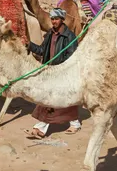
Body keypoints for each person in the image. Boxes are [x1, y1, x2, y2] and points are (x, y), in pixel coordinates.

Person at [27, 8, 81, 138]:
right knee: (59, 101)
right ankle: (75, 123)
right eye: (52, 19)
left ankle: (40, 128)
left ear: (62, 20)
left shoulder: (69, 37)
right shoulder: (49, 35)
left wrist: (62, 70)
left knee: (51, 101)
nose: (54, 21)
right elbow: (41, 50)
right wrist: (29, 45)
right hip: (50, 72)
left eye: (56, 19)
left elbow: (72, 57)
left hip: (62, 73)